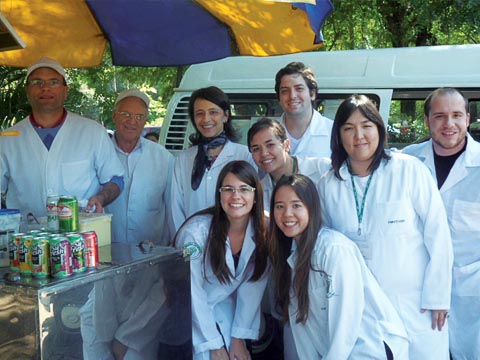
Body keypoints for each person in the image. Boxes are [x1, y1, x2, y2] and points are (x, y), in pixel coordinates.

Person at [317, 94, 453, 359]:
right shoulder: (329, 184)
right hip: (365, 309)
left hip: (416, 305)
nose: (359, 136)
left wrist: (438, 296)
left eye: (366, 126)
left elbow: (437, 232)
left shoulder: (408, 170)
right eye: (349, 128)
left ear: (379, 129)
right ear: (338, 136)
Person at [269, 174, 409, 359]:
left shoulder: (333, 250)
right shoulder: (291, 255)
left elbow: (346, 322)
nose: (287, 214)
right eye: (280, 206)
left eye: (296, 205)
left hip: (368, 349)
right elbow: (303, 330)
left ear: (311, 208)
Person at [403, 87, 480, 360]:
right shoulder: (406, 162)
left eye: (457, 115)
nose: (449, 124)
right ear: (426, 121)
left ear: (468, 119)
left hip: (470, 295)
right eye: (439, 116)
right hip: (417, 291)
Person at [0, 56, 124, 218]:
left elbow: (115, 179)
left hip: (82, 234)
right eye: (37, 82)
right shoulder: (7, 139)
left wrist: (101, 198)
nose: (45, 88)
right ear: (27, 91)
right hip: (28, 237)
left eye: (54, 82)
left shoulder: (93, 132)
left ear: (66, 91)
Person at [174, 160, 269, 360]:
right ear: (219, 194)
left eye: (244, 189)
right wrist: (213, 344)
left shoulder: (262, 231)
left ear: (255, 195)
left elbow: (253, 286)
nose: (236, 196)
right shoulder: (195, 234)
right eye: (228, 189)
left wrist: (238, 337)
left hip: (225, 307)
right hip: (187, 311)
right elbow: (192, 292)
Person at [171, 86, 254, 230]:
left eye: (213, 112)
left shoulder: (245, 155)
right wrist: (183, 240)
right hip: (192, 240)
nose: (206, 119)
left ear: (226, 116)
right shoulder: (184, 158)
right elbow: (175, 206)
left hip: (232, 240)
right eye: (199, 113)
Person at [106, 89, 175, 245]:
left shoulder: (163, 157)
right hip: (108, 250)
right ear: (114, 115)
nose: (132, 121)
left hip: (152, 251)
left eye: (139, 117)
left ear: (145, 120)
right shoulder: (100, 153)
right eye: (126, 114)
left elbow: (173, 207)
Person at [247, 117, 330, 209]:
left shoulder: (322, 169)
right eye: (256, 149)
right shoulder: (260, 191)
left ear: (286, 145)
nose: (264, 153)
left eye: (270, 145)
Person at [274, 62, 333, 158]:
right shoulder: (267, 134)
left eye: (299, 89)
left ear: (312, 94)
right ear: (279, 98)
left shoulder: (334, 131)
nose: (292, 96)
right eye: (285, 91)